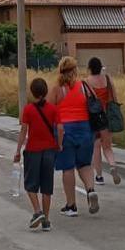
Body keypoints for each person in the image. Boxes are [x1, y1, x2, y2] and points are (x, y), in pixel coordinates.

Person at [49, 56, 99, 217]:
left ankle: (71, 205)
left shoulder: (57, 88)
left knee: (67, 167)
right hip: (85, 128)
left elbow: (49, 111)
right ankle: (90, 189)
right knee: (85, 164)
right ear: (75, 70)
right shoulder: (84, 85)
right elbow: (95, 103)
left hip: (65, 130)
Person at [14, 78, 61, 231]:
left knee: (30, 184)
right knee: (47, 187)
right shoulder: (53, 109)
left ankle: (37, 211)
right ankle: (46, 221)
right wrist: (59, 145)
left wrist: (18, 151)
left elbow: (23, 132)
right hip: (49, 151)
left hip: (33, 151)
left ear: (33, 93)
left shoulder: (28, 109)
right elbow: (60, 128)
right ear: (46, 91)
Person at [84, 57, 121, 186]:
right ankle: (113, 166)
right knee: (107, 147)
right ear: (100, 67)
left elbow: (86, 101)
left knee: (96, 147)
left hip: (95, 118)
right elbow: (114, 97)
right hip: (108, 117)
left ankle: (99, 176)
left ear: (90, 68)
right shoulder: (108, 79)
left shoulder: (87, 82)